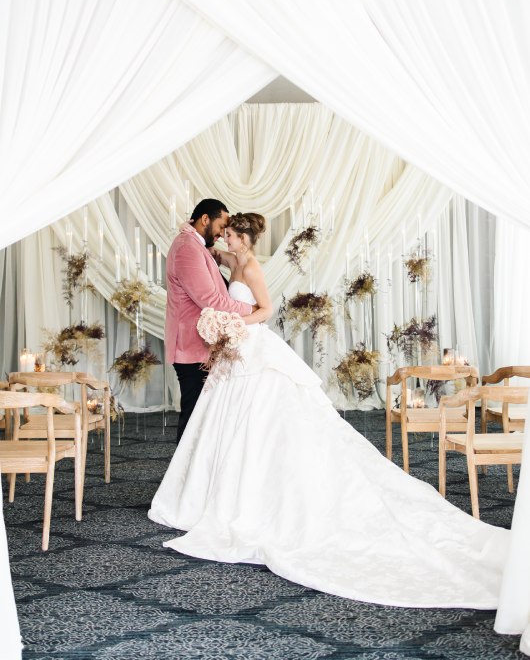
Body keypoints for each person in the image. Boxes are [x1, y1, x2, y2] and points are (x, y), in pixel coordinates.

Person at [150, 212, 510, 609]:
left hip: (252, 345)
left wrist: (237, 326)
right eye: (226, 234)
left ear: (246, 240)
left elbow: (265, 310)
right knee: (227, 418)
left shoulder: (250, 266)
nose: (226, 239)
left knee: (263, 418)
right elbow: (204, 260)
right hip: (236, 354)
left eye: (232, 235)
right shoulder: (229, 259)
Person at [165, 199, 253, 444]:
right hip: (191, 348)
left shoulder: (195, 244)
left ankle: (195, 477)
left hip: (201, 346)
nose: (222, 233)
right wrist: (251, 309)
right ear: (205, 219)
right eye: (221, 225)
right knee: (195, 418)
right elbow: (210, 300)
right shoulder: (187, 247)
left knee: (204, 417)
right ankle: (182, 479)